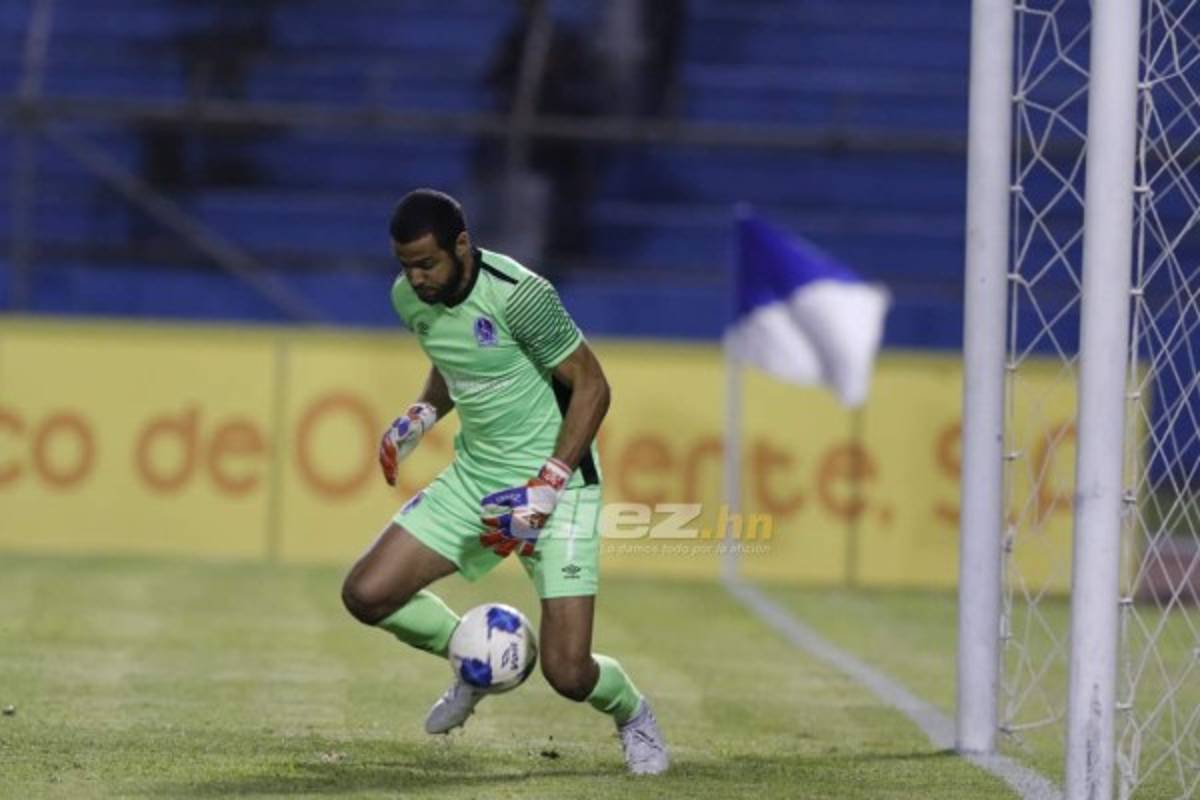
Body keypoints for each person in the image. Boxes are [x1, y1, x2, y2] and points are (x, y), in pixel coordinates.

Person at [340, 188, 669, 775]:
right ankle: (477, 665)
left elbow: (593, 386)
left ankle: (633, 714)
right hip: (475, 480)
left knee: (568, 673)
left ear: (461, 245)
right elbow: (453, 356)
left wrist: (549, 482)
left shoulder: (521, 296)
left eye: (427, 264)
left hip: (560, 488)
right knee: (366, 593)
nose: (415, 280)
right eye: (406, 266)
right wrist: (422, 414)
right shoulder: (410, 299)